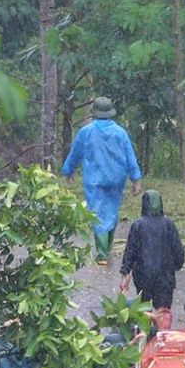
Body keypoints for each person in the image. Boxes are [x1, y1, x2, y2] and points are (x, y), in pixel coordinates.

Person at [59, 96, 142, 260]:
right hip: (117, 178)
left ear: (95, 112)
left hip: (94, 180)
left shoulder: (86, 132)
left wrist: (68, 171)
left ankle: (102, 253)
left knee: (97, 212)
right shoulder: (120, 132)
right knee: (112, 210)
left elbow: (75, 153)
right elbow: (130, 157)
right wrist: (136, 180)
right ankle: (107, 247)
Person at [117, 190, 185, 310]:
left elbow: (130, 251)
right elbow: (178, 249)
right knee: (163, 311)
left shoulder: (138, 225)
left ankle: (146, 322)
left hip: (143, 276)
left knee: (144, 310)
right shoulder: (169, 224)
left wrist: (125, 272)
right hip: (165, 277)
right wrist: (177, 266)